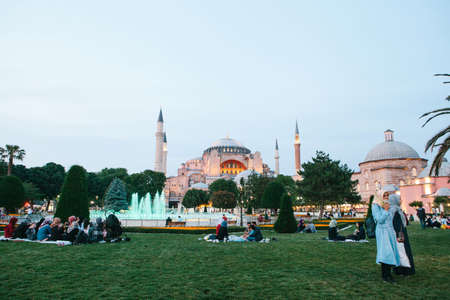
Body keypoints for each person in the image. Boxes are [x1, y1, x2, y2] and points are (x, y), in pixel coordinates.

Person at [372, 191, 400, 283]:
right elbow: (379, 220)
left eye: (388, 195)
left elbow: (391, 219)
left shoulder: (388, 204)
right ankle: (385, 275)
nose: (386, 197)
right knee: (385, 252)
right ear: (380, 196)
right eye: (384, 195)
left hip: (390, 231)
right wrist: (385, 210)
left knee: (391, 251)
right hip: (382, 231)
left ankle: (388, 273)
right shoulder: (375, 206)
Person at [389, 194, 415, 276]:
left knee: (400, 252)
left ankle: (400, 270)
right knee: (403, 251)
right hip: (400, 234)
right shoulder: (396, 210)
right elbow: (399, 224)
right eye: (399, 199)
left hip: (398, 234)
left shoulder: (394, 210)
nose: (400, 201)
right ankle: (405, 270)